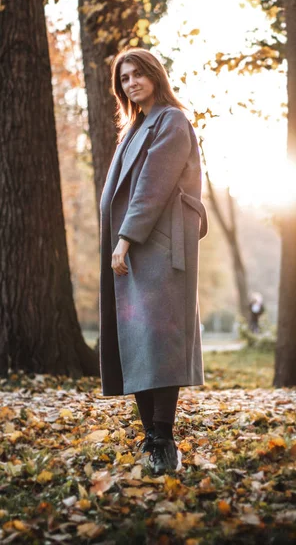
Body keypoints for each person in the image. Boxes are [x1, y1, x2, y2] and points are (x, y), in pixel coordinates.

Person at [99, 48, 208, 475]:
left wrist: (124, 240)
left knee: (160, 342)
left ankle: (163, 437)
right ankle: (151, 436)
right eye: (124, 78)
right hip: (134, 246)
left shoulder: (171, 121)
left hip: (159, 245)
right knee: (140, 343)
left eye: (139, 74)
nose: (131, 83)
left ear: (155, 76)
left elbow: (152, 185)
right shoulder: (134, 128)